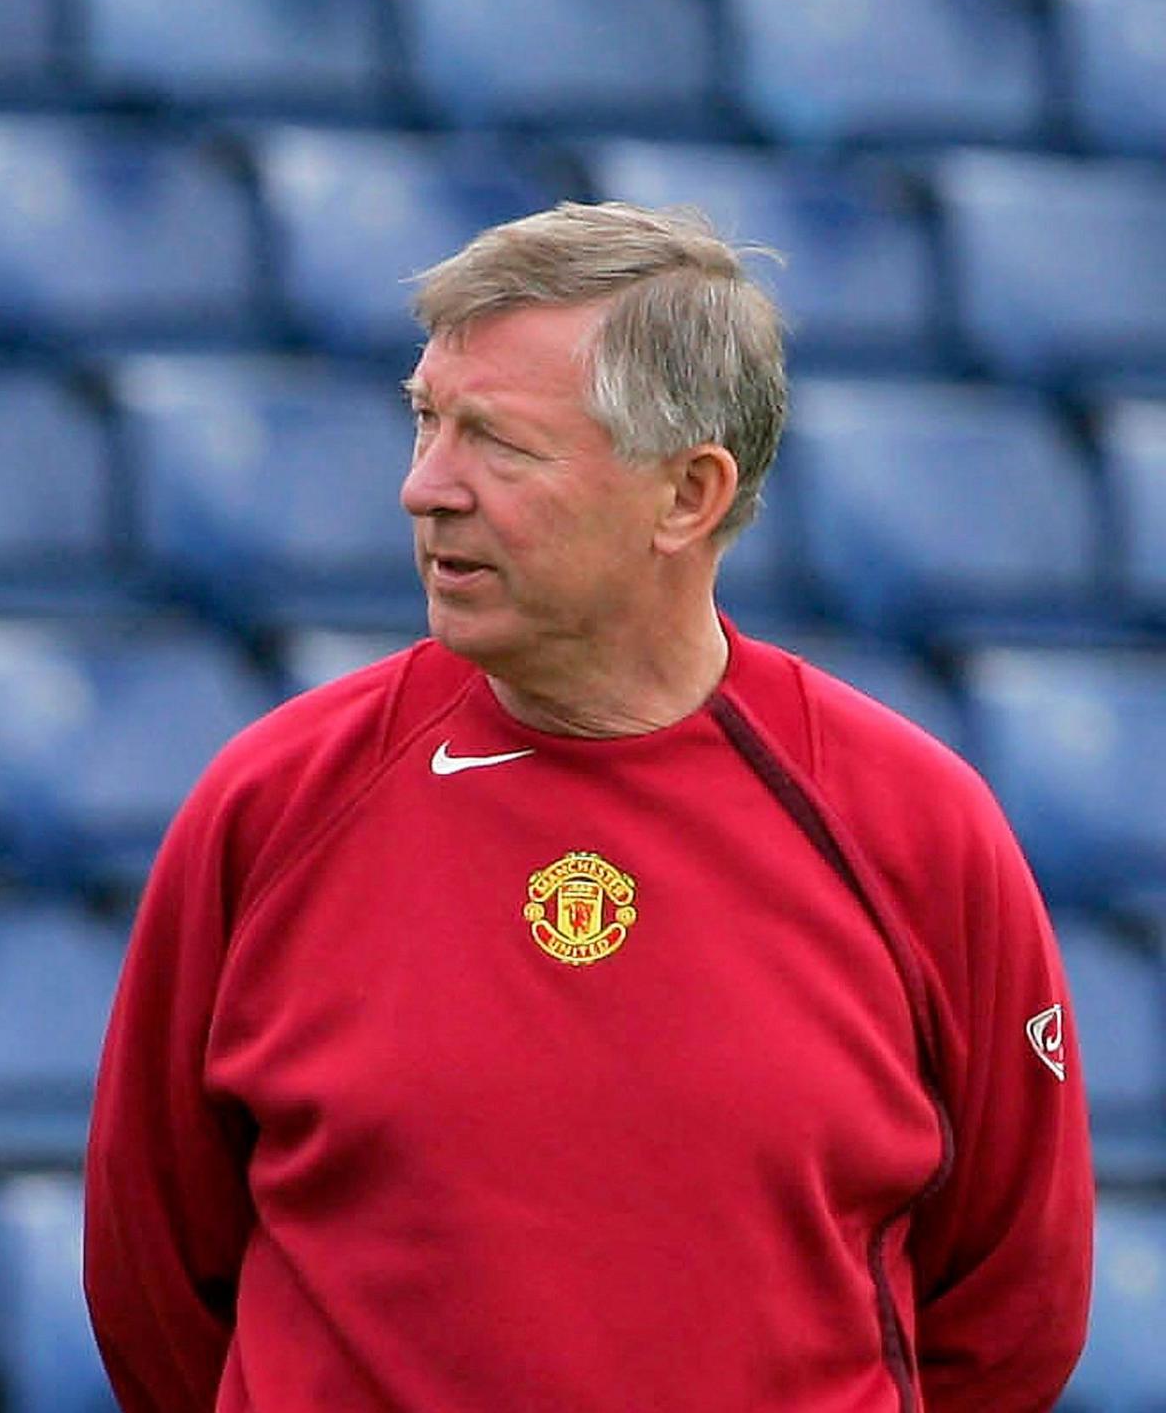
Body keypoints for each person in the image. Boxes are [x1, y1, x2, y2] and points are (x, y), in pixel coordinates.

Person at [83, 202, 1094, 1411]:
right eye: (424, 421)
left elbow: (1012, 1307)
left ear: (686, 495)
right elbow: (153, 1287)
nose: (424, 488)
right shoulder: (273, 802)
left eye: (496, 443)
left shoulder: (913, 825)